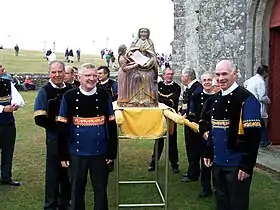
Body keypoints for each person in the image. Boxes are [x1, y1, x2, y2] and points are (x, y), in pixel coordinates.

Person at [57, 63, 118, 210]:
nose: (91, 78)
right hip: (76, 153)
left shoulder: (104, 96)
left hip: (100, 152)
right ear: (79, 77)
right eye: (87, 75)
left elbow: (111, 124)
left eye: (94, 75)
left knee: (100, 190)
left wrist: (111, 152)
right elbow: (62, 127)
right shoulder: (69, 96)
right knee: (76, 191)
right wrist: (63, 155)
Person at [202, 60, 262, 210]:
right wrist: (208, 152)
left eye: (224, 74)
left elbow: (253, 137)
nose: (220, 78)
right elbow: (213, 130)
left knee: (237, 204)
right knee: (221, 201)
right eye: (218, 74)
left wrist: (247, 165)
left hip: (237, 165)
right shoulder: (215, 100)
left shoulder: (246, 99)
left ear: (234, 74)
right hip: (218, 163)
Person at [34, 60, 72, 210]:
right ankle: (50, 205)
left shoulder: (71, 89)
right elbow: (39, 117)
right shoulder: (44, 91)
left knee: (68, 171)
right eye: (53, 72)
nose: (57, 75)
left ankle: (66, 203)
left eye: (60, 72)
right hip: (55, 137)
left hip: (71, 138)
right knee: (53, 173)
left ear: (64, 72)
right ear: (49, 73)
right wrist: (57, 126)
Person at [148, 67, 181, 173]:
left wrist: (161, 101)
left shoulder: (177, 87)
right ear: (163, 75)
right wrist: (162, 101)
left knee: (172, 142)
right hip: (160, 117)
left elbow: (173, 101)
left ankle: (174, 164)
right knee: (158, 140)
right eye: (168, 74)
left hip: (171, 118)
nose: (170, 76)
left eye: (171, 74)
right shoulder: (158, 86)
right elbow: (154, 100)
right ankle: (153, 162)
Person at [188, 71, 216, 198]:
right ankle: (206, 187)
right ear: (201, 81)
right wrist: (202, 131)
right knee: (204, 160)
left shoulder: (218, 96)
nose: (207, 82)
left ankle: (218, 186)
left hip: (216, 133)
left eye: (209, 80)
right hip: (201, 134)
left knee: (216, 162)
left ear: (213, 80)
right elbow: (192, 115)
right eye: (204, 80)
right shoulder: (196, 96)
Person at [0, 63, 25, 186]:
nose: (3, 70)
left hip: (8, 123)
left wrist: (15, 104)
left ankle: (6, 177)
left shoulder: (7, 84)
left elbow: (19, 98)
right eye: (1, 68)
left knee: (8, 150)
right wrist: (3, 109)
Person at [124, 28, 159, 107]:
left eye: (145, 32)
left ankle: (148, 99)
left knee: (148, 76)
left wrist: (148, 63)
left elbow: (153, 56)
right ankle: (135, 98)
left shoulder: (150, 43)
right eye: (142, 32)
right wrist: (133, 58)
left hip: (147, 66)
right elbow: (129, 53)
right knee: (136, 77)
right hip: (136, 66)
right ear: (139, 33)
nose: (143, 34)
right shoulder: (135, 42)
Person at [180, 67, 203, 182]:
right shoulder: (190, 88)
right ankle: (192, 171)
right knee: (190, 148)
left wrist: (188, 116)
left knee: (193, 149)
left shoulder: (197, 89)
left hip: (194, 125)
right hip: (188, 123)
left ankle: (193, 174)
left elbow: (195, 109)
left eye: (182, 75)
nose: (181, 77)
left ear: (187, 77)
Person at [244, 65, 271, 148]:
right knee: (260, 124)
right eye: (267, 72)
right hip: (257, 105)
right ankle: (264, 141)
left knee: (257, 124)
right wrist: (269, 101)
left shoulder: (251, 79)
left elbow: (245, 84)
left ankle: (262, 141)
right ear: (265, 72)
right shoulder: (260, 82)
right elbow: (262, 97)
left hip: (249, 104)